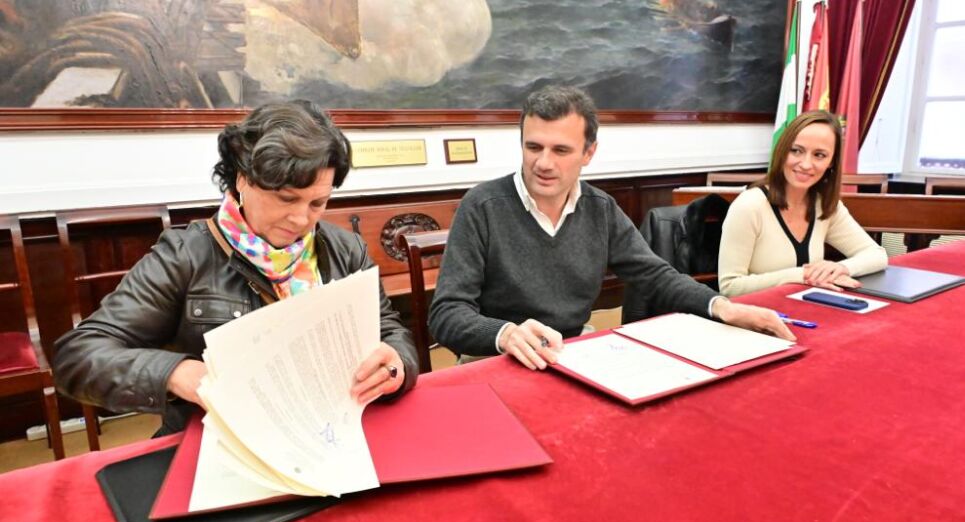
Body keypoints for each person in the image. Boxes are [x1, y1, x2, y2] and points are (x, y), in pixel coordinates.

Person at [53, 100, 417, 435]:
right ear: (242, 179)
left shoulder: (345, 250)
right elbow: (78, 356)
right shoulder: (186, 256)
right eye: (285, 198)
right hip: (220, 439)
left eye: (317, 203)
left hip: (328, 432)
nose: (300, 218)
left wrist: (397, 363)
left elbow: (388, 330)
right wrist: (176, 373)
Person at [429, 85, 795, 371]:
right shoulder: (482, 206)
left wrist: (722, 307)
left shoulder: (600, 208)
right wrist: (505, 334)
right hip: (495, 357)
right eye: (533, 147)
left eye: (561, 150)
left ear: (588, 153)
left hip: (571, 351)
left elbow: (656, 276)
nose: (543, 163)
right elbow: (446, 315)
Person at [717, 110, 888, 297]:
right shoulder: (749, 206)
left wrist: (840, 268)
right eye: (796, 151)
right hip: (756, 312)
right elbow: (729, 287)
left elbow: (876, 255)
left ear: (831, 162)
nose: (806, 164)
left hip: (808, 308)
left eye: (819, 155)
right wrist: (803, 275)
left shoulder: (825, 205)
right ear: (782, 151)